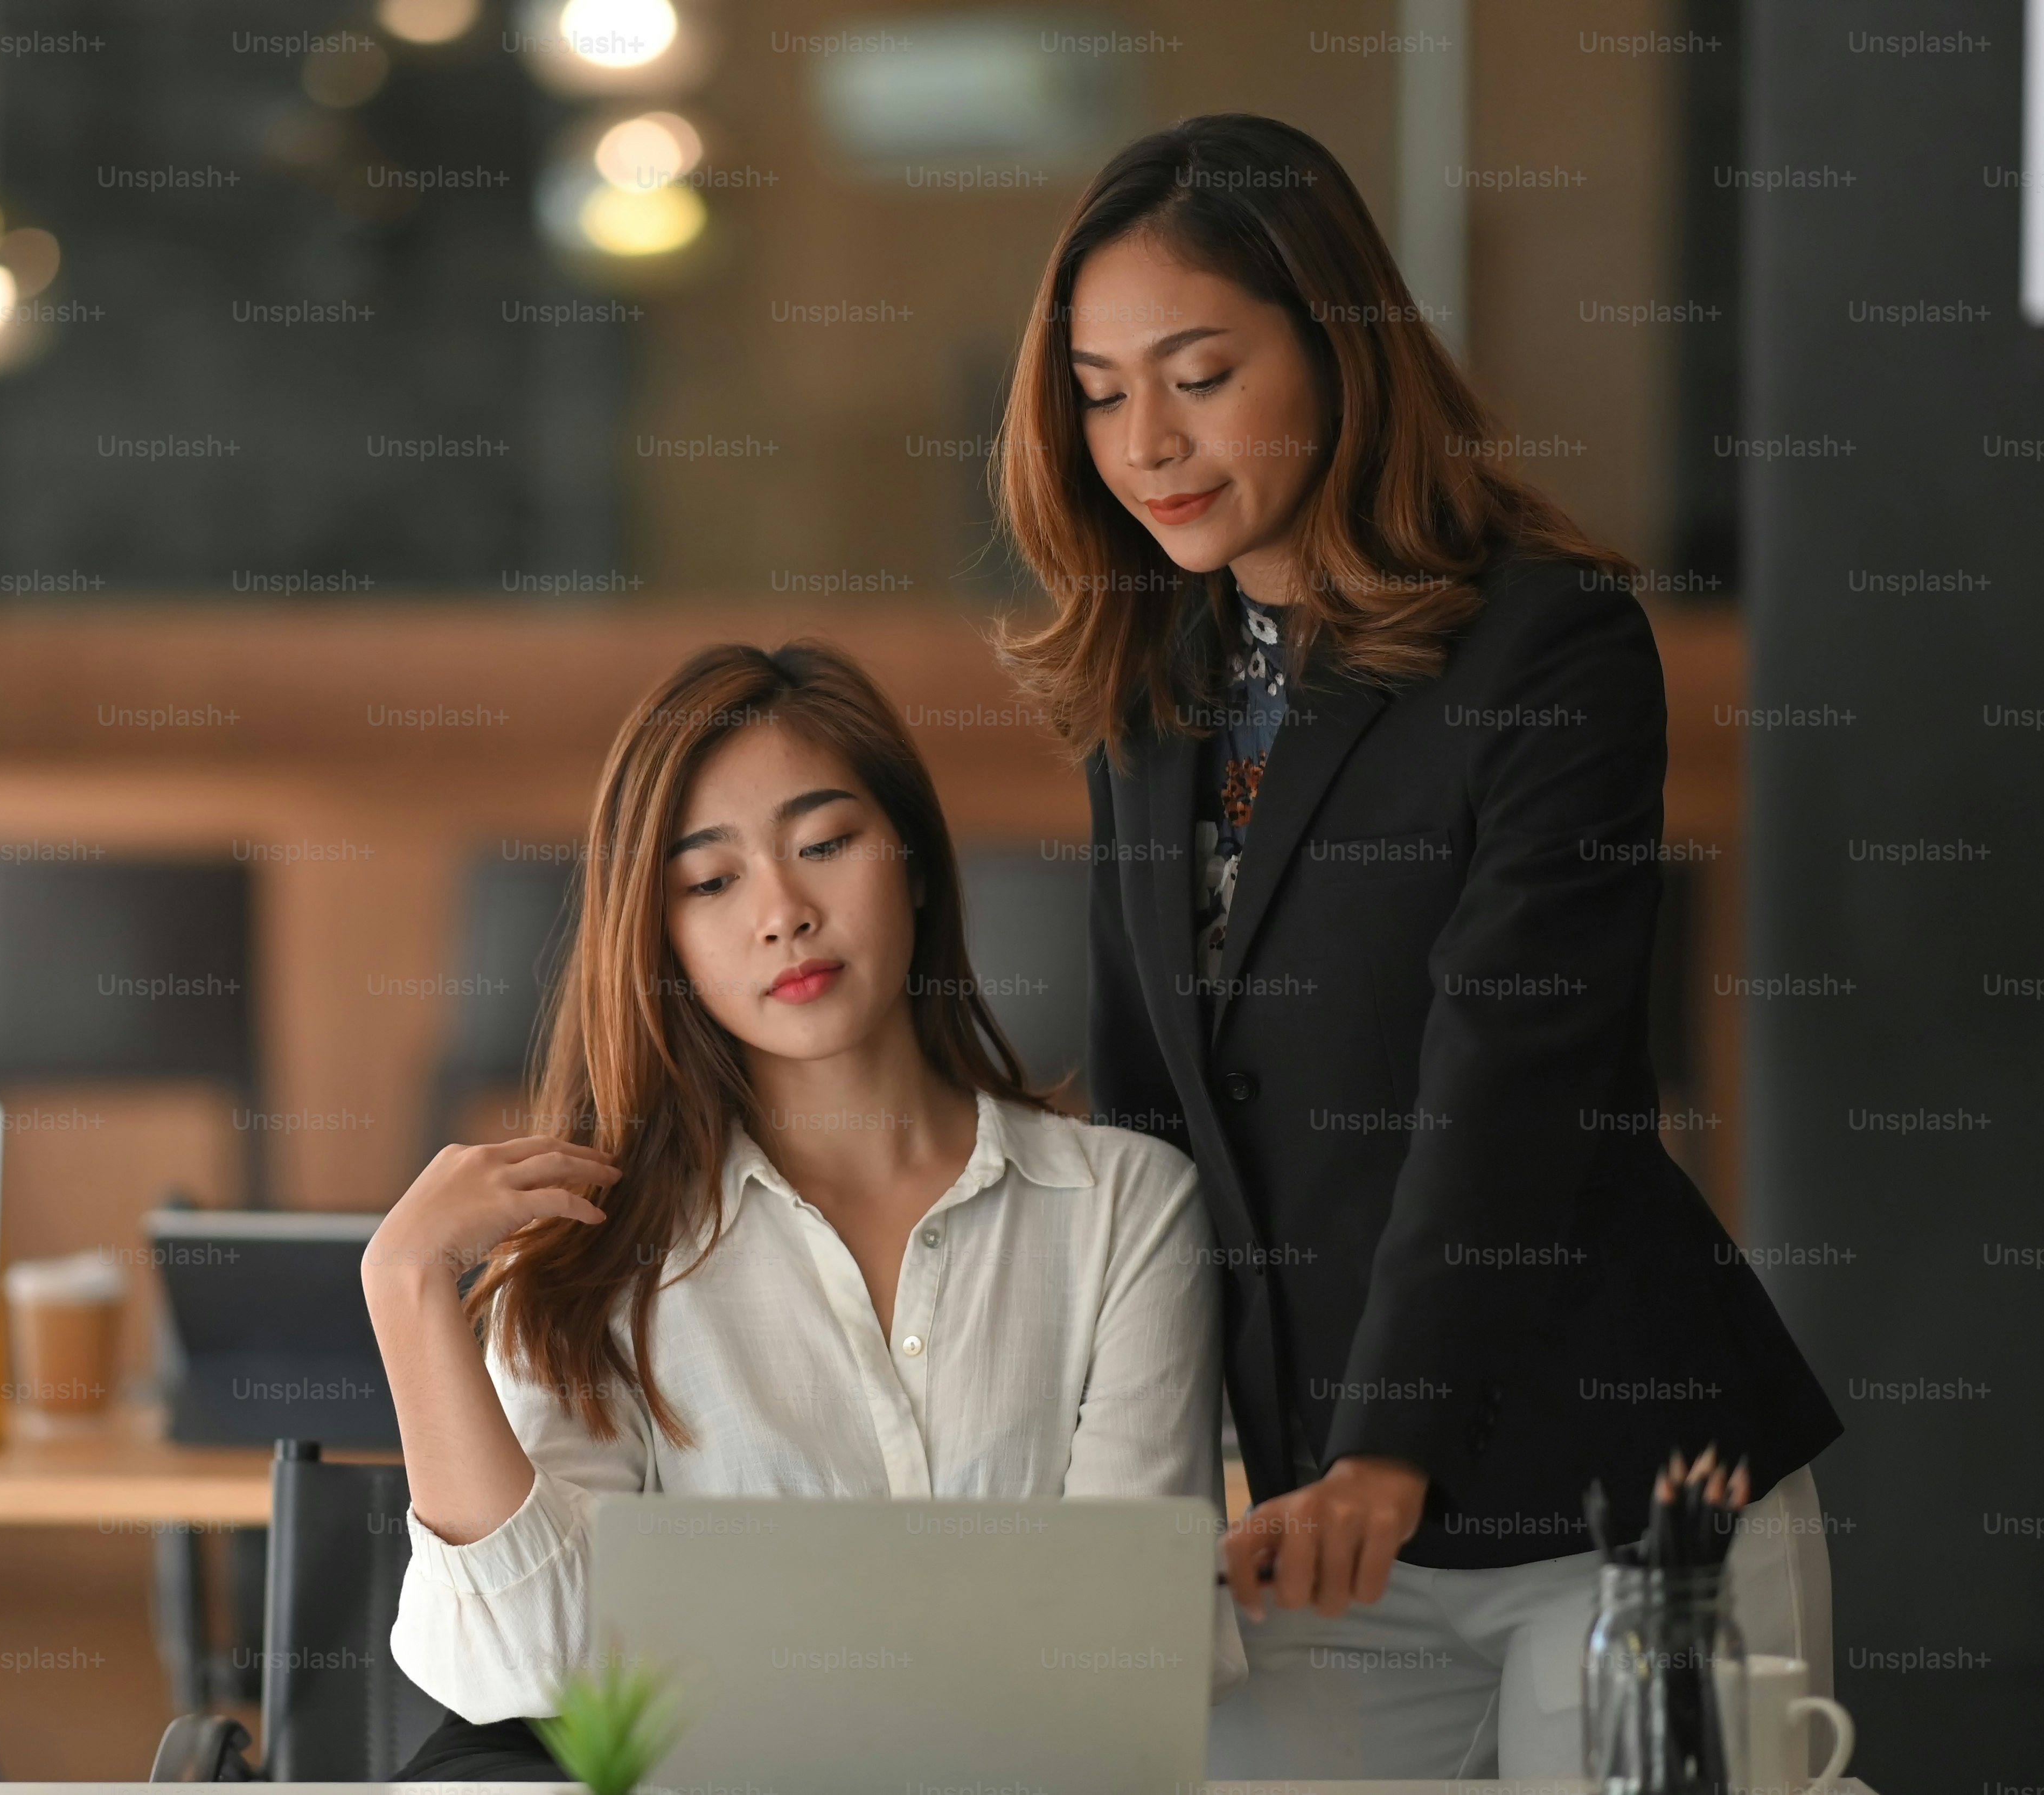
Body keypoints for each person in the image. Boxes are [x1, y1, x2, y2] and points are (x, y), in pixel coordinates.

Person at [989, 113, 1845, 1776]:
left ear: (1338, 345)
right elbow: (1149, 1131)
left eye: (1198, 372)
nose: (1145, 439)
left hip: (1611, 1491)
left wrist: (1392, 1450)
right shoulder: (1155, 685)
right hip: (1317, 1521)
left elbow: (1508, 1081)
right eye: (1100, 391)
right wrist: (1128, 1506)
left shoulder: (1552, 645)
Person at [366, 639, 1228, 1781]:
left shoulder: (1125, 1210)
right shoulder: (596, 1252)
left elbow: (1125, 1652)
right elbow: (530, 1677)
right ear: (660, 935)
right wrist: (408, 1289)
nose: (783, 912)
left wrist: (720, 1637)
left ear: (913, 863)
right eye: (710, 882)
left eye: (825, 843)